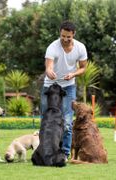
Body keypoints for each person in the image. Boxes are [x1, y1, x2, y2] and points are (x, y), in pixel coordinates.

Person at [40, 20, 87, 161]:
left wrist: (73, 74)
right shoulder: (52, 47)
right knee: (45, 120)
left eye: (69, 37)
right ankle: (44, 151)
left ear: (74, 35)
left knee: (67, 121)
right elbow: (48, 66)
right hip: (50, 86)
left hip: (68, 86)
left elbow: (83, 68)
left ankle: (65, 154)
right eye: (63, 36)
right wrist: (49, 71)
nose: (65, 39)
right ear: (60, 33)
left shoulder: (80, 48)